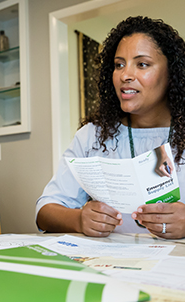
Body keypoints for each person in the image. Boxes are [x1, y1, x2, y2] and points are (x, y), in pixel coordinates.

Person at [36, 16, 185, 239]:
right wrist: (78, 219)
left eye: (142, 64)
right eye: (119, 65)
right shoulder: (93, 137)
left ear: (172, 73)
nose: (125, 75)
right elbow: (45, 211)